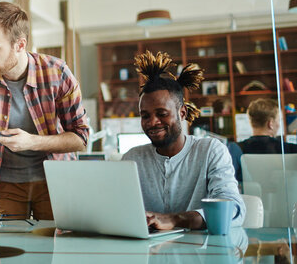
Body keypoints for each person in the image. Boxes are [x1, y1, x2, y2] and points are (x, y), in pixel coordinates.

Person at [0, 2, 89, 220]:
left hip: (53, 180)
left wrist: (32, 142)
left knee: (54, 247)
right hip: (5, 183)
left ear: (20, 45)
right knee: (6, 250)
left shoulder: (57, 73)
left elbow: (81, 138)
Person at [122, 51, 245, 230]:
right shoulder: (132, 158)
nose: (152, 122)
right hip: (148, 254)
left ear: (182, 113)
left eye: (162, 114)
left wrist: (175, 219)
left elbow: (232, 208)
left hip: (203, 253)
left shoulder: (210, 151)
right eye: (145, 115)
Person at [229, 98, 297, 182]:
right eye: (279, 120)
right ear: (271, 124)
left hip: (250, 195)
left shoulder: (235, 149)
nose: (280, 124)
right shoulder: (289, 149)